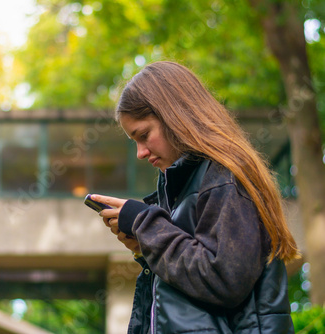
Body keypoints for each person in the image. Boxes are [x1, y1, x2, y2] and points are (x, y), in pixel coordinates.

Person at [92, 61, 299, 333]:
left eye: (144, 135)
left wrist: (147, 224)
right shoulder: (189, 182)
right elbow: (197, 276)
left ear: (175, 116)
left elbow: (224, 279)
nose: (141, 153)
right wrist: (146, 246)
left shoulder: (224, 176)